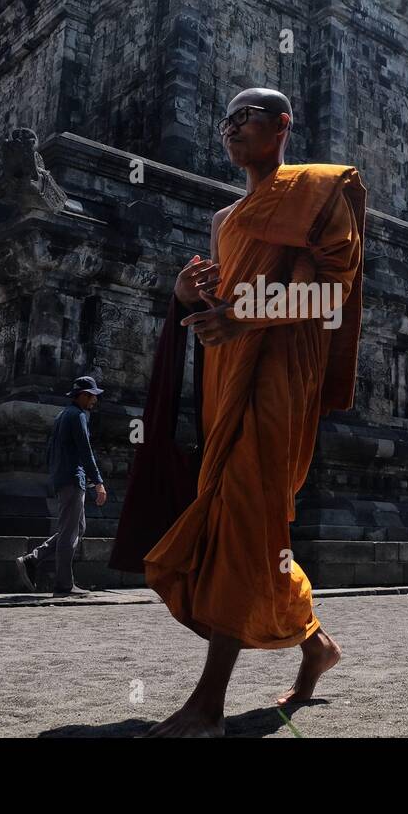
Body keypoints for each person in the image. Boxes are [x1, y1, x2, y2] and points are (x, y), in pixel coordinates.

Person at [136, 87, 366, 736]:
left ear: (282, 126)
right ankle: (315, 645)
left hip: (281, 372)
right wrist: (187, 293)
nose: (233, 129)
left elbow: (330, 293)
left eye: (248, 119)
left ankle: (209, 704)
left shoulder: (319, 189)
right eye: (227, 120)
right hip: (226, 375)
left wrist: (243, 316)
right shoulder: (224, 217)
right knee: (251, 524)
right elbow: (215, 291)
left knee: (243, 512)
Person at [16, 376, 107, 596]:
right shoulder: (78, 417)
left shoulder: (62, 416)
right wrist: (99, 483)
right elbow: (85, 452)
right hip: (73, 479)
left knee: (78, 528)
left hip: (62, 477)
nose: (95, 400)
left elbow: (50, 450)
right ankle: (64, 585)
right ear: (83, 396)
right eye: (92, 396)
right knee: (69, 532)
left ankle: (34, 558)